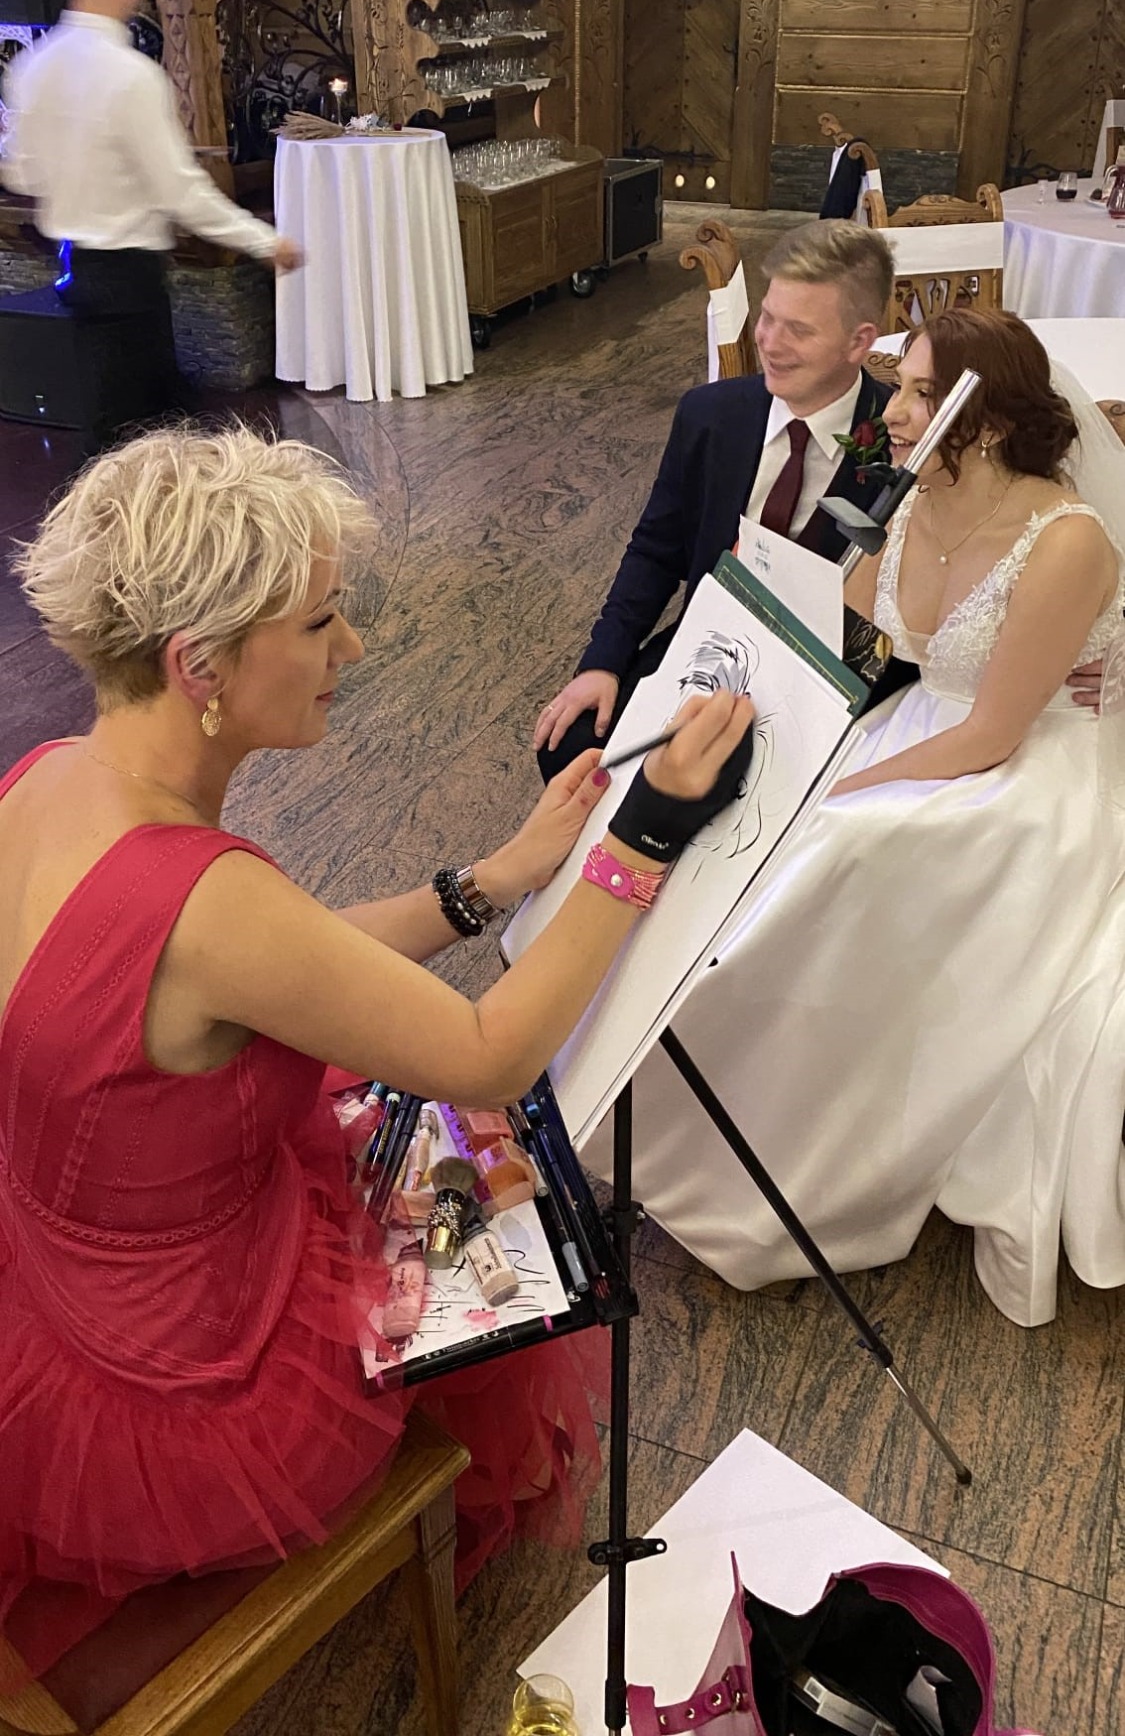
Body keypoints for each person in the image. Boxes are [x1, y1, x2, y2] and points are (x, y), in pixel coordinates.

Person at [0, 423, 751, 1699]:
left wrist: (486, 882)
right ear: (200, 665)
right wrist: (647, 833)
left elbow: (264, 964)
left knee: (425, 1160)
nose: (350, 648)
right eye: (320, 621)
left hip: (69, 1287)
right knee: (479, 1195)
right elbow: (489, 1052)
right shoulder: (207, 897)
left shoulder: (49, 773)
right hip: (188, 1384)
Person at [582, 308, 1125, 1331]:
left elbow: (991, 733)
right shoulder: (916, 498)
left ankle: (790, 1171)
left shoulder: (1064, 542)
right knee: (746, 821)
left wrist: (835, 790)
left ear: (986, 420)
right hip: (917, 728)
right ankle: (663, 1100)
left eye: (920, 393)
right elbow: (835, 637)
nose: (897, 410)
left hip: (1025, 767)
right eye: (903, 388)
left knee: (836, 844)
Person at [534, 221, 897, 782]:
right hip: (707, 651)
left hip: (826, 681)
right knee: (572, 749)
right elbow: (656, 551)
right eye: (767, 318)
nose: (770, 343)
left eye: (799, 330)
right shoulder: (710, 415)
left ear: (859, 341)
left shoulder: (900, 443)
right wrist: (603, 663)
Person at [0, 0, 301, 454]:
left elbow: (23, 172)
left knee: (125, 428)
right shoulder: (130, 75)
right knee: (145, 441)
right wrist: (265, 241)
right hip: (130, 282)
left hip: (77, 272)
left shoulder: (32, 67)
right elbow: (179, 192)